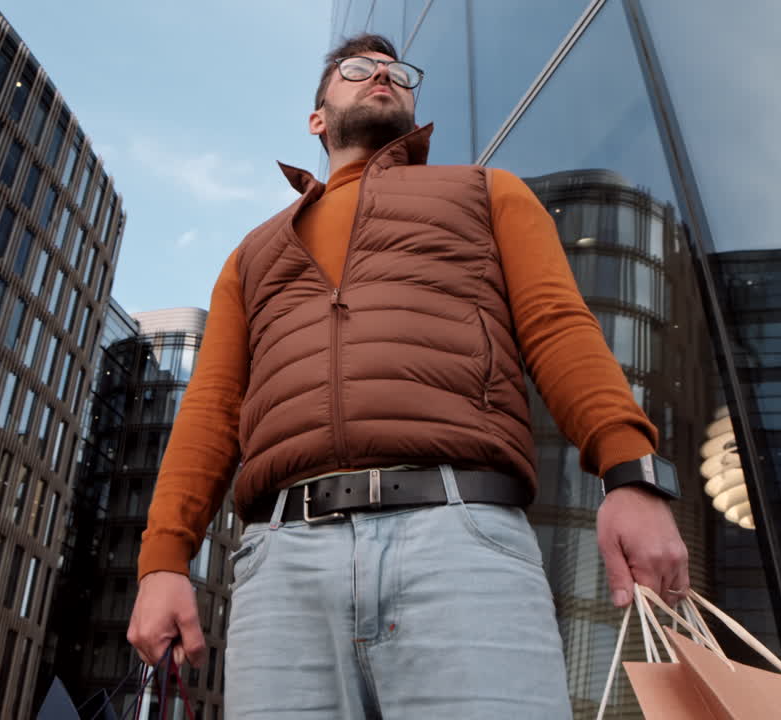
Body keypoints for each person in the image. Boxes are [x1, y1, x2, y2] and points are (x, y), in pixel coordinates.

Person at [127, 33, 690, 718]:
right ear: (317, 116)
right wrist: (163, 561)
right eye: (358, 70)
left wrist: (630, 474)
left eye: (397, 72)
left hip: (462, 545)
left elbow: (558, 325)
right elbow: (211, 412)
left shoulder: (487, 192)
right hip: (283, 567)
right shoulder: (251, 256)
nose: (382, 78)